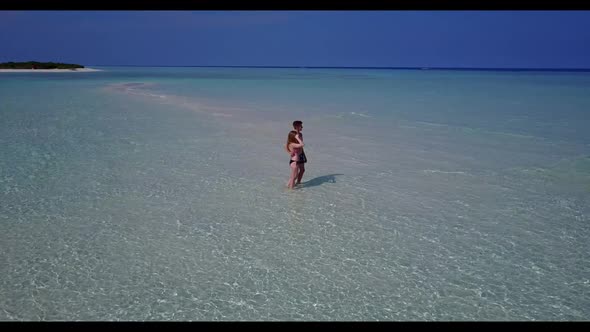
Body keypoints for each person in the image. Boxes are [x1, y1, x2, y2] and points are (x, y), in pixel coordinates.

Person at [292, 120, 307, 185]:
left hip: (301, 154)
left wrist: (303, 154)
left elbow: (301, 145)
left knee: (302, 170)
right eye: (301, 126)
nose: (302, 127)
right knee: (295, 172)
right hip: (296, 155)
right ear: (297, 127)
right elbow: (290, 144)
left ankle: (298, 182)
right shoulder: (293, 134)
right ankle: (290, 185)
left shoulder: (300, 134)